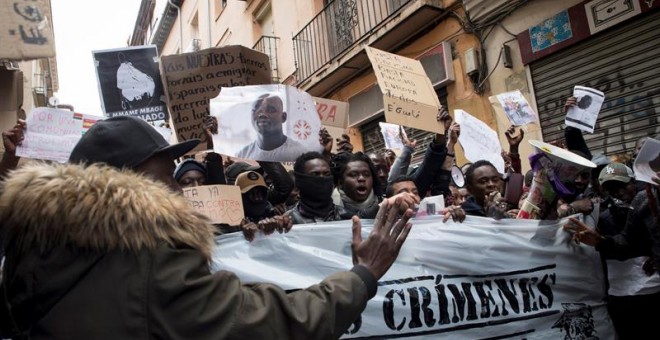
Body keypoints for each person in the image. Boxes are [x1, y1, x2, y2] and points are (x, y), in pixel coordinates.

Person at [0, 116, 414, 339]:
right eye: (166, 178)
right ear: (125, 184)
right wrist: (363, 275)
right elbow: (273, 324)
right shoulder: (149, 263)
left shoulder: (35, 249)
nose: (178, 191)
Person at [236, 93, 307, 162]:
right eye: (256, 110)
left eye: (270, 110)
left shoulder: (300, 153)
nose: (262, 114)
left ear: (283, 117)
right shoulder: (242, 156)